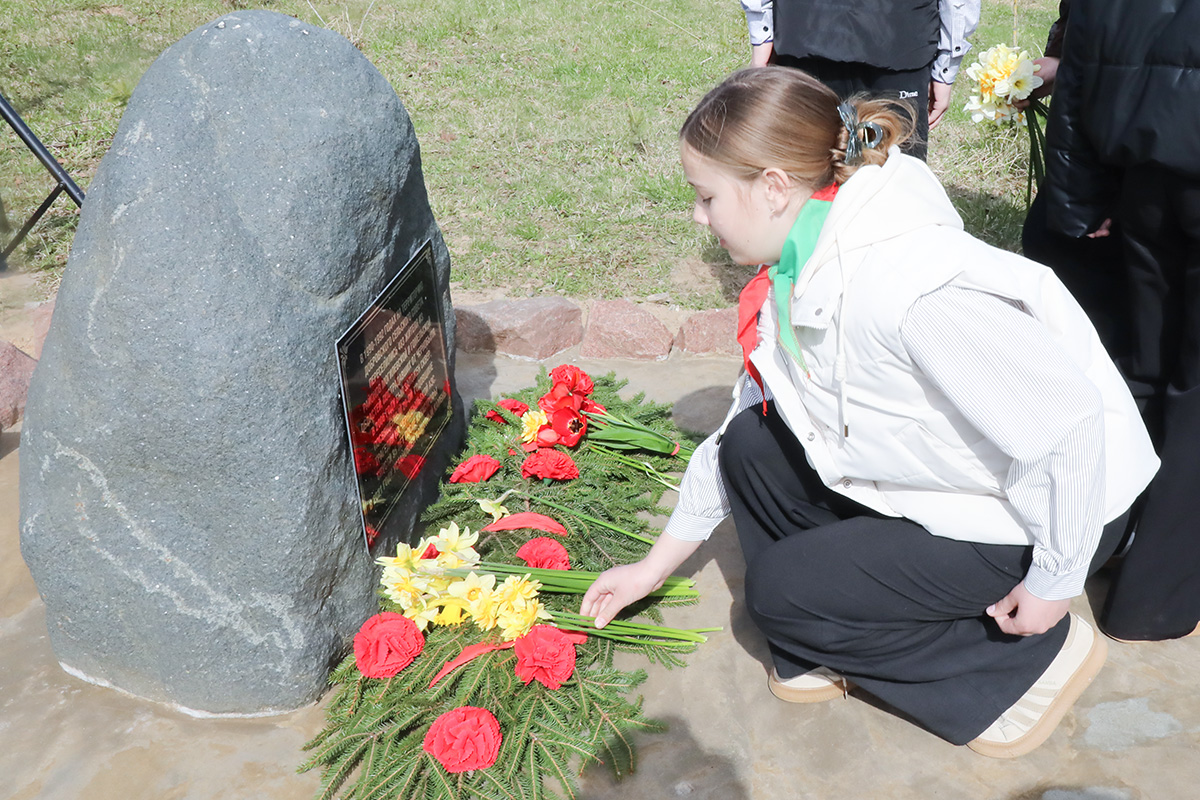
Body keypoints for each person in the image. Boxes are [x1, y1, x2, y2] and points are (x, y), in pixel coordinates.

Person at [580, 67, 1158, 757]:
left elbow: (1067, 427)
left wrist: (1054, 581)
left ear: (773, 187)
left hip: (1046, 511)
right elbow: (747, 417)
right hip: (967, 487)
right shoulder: (797, 268)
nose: (698, 217)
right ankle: (822, 639)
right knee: (750, 447)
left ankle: (1019, 667)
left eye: (706, 197)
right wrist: (651, 567)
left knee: (780, 593)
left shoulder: (909, 287)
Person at [1040, 0, 1200, 642]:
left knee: (1148, 365)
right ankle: (1153, 600)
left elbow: (1077, 66)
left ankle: (1102, 542)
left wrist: (1077, 196)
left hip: (1144, 177)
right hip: (1151, 175)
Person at [739, 0, 981, 157]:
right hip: (891, 38)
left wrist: (761, 31)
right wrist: (948, 62)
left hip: (816, 33)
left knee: (885, 183)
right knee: (811, 183)